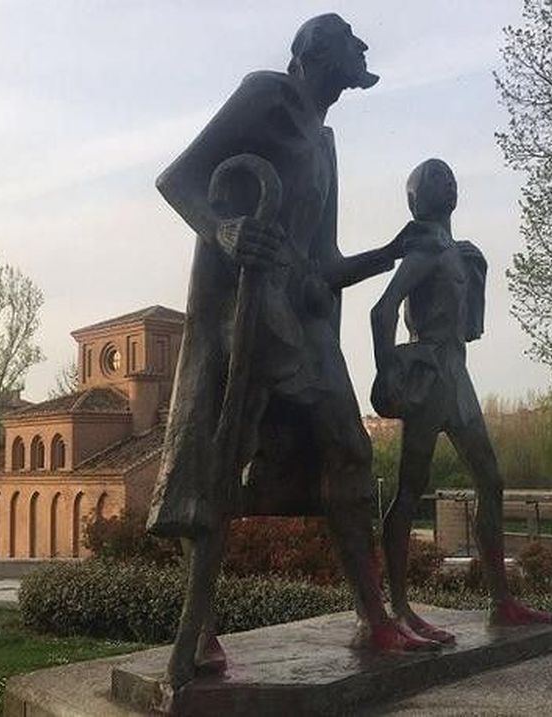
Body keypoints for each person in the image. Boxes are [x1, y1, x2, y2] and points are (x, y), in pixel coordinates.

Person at [148, 13, 432, 688]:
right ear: (316, 55)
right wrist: (224, 230)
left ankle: (373, 615)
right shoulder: (266, 95)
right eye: (347, 53)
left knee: (350, 452)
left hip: (302, 324)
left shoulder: (326, 142)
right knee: (223, 460)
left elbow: (323, 261)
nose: (355, 65)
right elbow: (179, 179)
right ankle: (200, 622)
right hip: (244, 316)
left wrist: (388, 253)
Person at [371, 158, 552, 641]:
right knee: (409, 490)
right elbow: (383, 308)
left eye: (451, 175)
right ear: (416, 198)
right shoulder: (428, 248)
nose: (447, 181)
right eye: (434, 178)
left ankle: (501, 601)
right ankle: (398, 609)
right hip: (430, 375)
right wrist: (390, 375)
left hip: (458, 376)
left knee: (490, 480)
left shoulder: (459, 252)